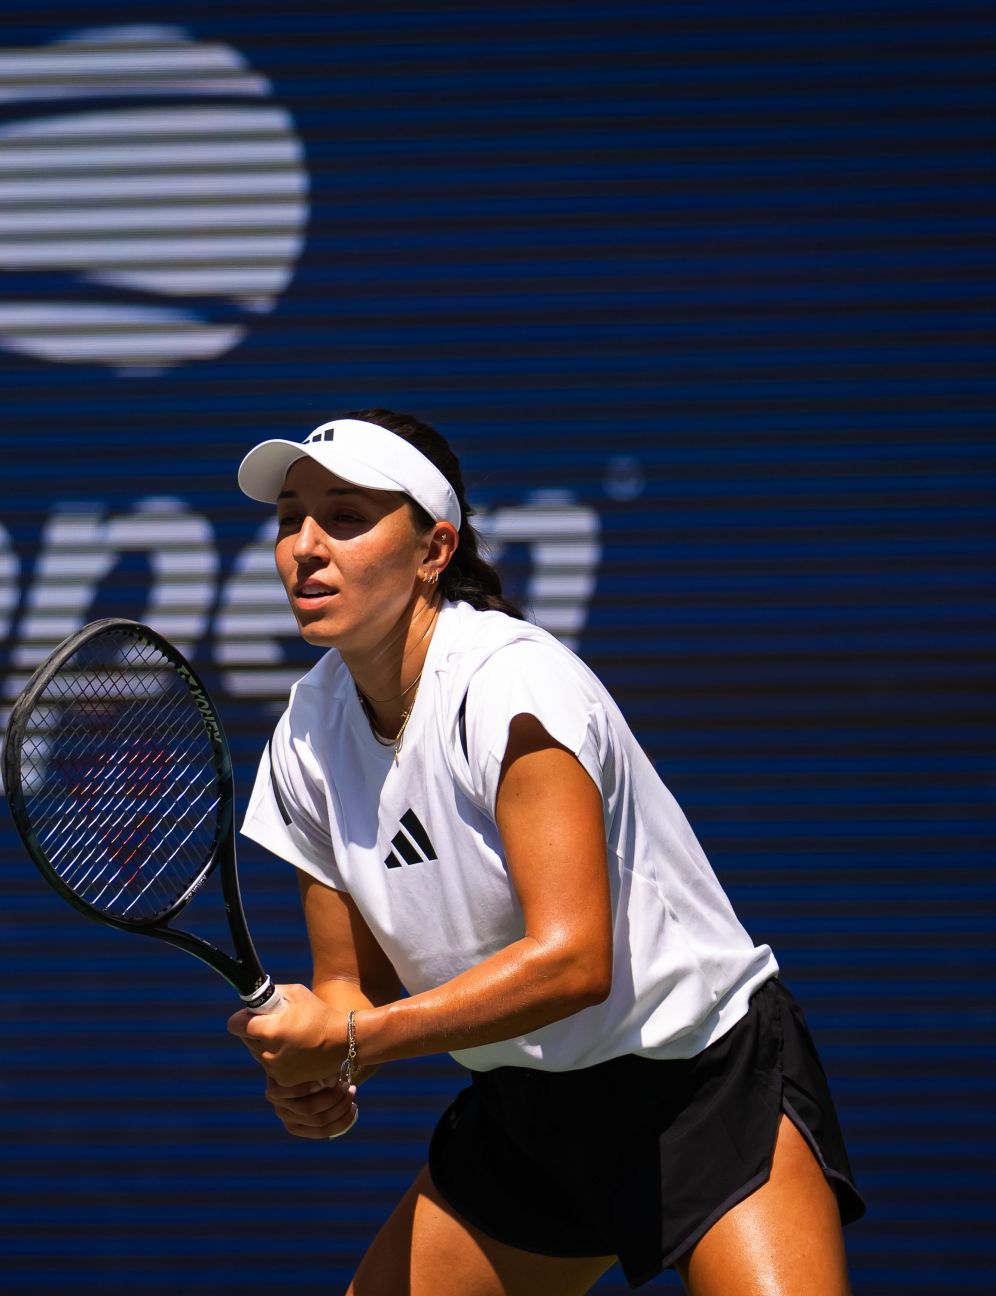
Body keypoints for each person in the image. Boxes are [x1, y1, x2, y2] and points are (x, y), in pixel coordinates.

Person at [225, 410, 866, 1294]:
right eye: (289, 517)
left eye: (345, 516)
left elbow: (573, 963)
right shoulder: (306, 735)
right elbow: (350, 983)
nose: (304, 546)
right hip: (527, 1120)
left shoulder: (510, 684)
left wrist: (358, 1040)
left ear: (433, 549)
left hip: (700, 1086)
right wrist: (325, 1063)